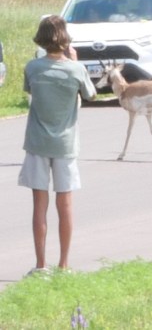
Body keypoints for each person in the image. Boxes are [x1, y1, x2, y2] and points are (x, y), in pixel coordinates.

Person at [18, 15, 96, 276]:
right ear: (64, 40)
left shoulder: (33, 67)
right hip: (65, 144)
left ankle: (41, 265)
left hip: (38, 142)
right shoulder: (76, 69)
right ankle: (64, 264)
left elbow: (29, 90)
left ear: (41, 39)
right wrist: (74, 62)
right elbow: (91, 94)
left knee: (39, 204)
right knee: (65, 204)